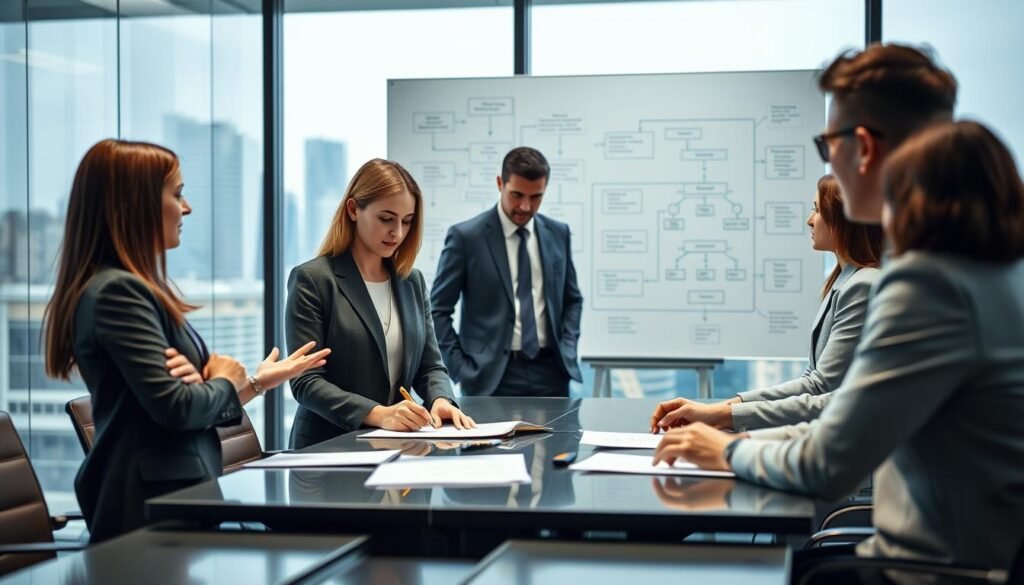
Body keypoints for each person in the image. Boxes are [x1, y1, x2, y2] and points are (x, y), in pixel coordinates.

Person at [656, 46, 1024, 583]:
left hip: (932, 572)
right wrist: (728, 432)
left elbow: (828, 464)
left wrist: (729, 450)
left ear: (864, 148)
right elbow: (844, 424)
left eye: (828, 146)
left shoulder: (927, 282)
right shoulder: (988, 264)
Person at [43, 139, 329, 543]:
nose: (187, 207)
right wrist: (223, 381)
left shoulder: (139, 288)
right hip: (148, 516)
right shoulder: (117, 293)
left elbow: (186, 405)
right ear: (133, 204)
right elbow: (176, 408)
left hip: (179, 504)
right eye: (177, 194)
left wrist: (250, 382)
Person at [649, 175, 883, 435]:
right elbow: (811, 381)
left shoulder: (862, 286)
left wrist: (720, 415)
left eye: (817, 210)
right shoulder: (844, 280)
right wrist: (721, 408)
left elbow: (822, 388)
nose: (809, 220)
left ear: (843, 219)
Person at [287, 158, 474, 449]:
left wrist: (440, 398)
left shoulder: (412, 282)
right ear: (353, 210)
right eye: (386, 219)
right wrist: (379, 414)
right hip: (329, 450)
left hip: (401, 449)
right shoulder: (313, 280)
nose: (397, 232)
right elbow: (306, 382)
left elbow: (430, 366)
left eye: (407, 221)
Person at [431, 146, 583, 397]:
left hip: (552, 373)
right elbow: (437, 310)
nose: (525, 206)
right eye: (517, 194)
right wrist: (460, 369)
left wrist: (567, 348)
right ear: (500, 183)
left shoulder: (558, 234)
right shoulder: (466, 238)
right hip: (489, 378)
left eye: (536, 197)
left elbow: (573, 299)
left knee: (559, 438)